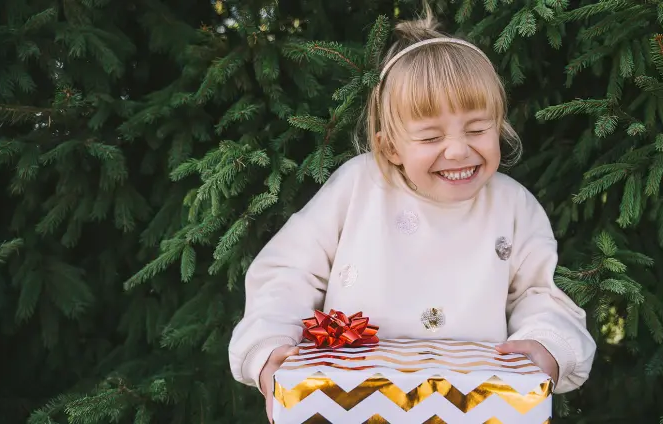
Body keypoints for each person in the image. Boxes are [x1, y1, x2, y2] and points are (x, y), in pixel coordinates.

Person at [226, 9, 596, 422]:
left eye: (477, 129)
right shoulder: (357, 188)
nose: (457, 150)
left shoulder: (514, 206)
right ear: (390, 148)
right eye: (430, 137)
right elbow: (288, 271)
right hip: (347, 403)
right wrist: (268, 348)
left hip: (474, 407)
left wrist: (547, 345)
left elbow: (540, 293)